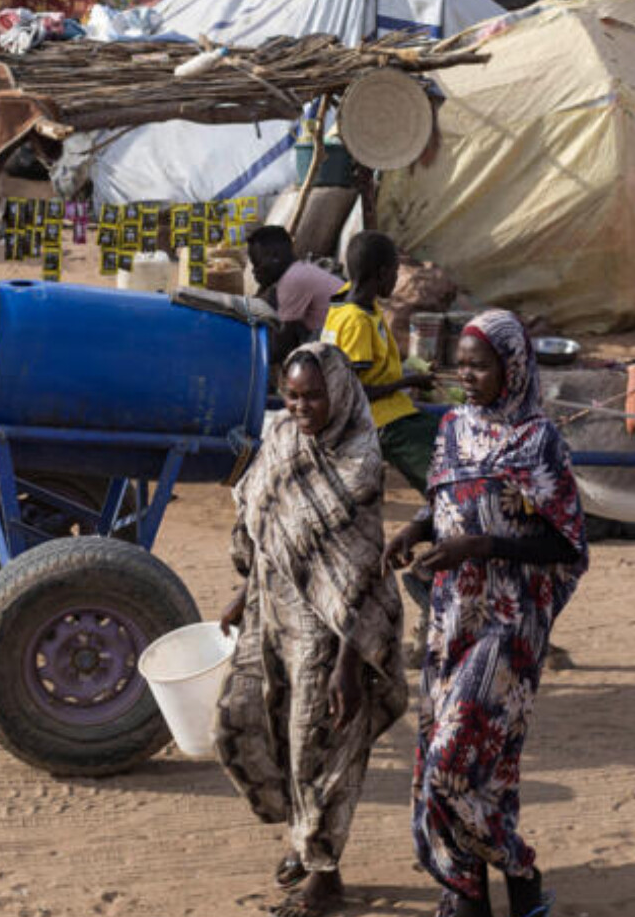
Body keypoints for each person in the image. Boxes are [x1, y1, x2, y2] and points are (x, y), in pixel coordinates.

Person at [387, 310, 587, 917]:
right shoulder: (450, 427)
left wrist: (483, 546)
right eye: (463, 364)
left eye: (481, 365)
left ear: (513, 367)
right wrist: (415, 528)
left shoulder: (539, 441)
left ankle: (520, 866)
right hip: (452, 617)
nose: (466, 375)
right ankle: (478, 893)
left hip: (509, 624)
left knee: (450, 765)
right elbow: (446, 501)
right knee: (481, 767)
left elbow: (567, 543)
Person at [215, 345, 407, 917]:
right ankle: (302, 835)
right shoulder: (281, 437)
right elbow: (267, 519)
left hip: (330, 632)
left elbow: (362, 568)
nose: (300, 406)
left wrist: (350, 663)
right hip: (271, 612)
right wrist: (244, 593)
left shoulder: (359, 463)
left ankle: (324, 874)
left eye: (313, 396)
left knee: (316, 747)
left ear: (340, 395)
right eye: (292, 395)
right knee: (239, 724)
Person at [322, 231, 436, 489]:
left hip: (392, 410)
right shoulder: (357, 322)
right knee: (440, 469)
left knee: (446, 429)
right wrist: (408, 380)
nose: (397, 280)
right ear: (383, 273)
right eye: (396, 273)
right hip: (378, 420)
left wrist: (408, 373)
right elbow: (354, 392)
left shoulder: (351, 300)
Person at [248, 226, 344, 371]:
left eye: (257, 263)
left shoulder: (292, 281)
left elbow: (280, 347)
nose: (254, 271)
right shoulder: (298, 271)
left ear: (275, 257)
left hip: (341, 350)